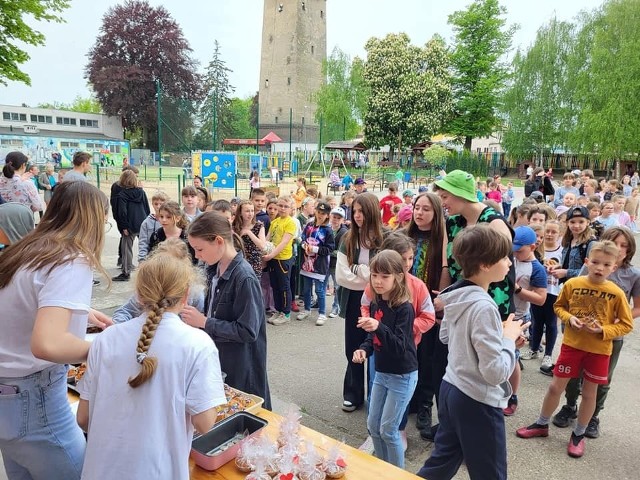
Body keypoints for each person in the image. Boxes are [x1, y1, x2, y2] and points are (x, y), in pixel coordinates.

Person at [76, 252, 226, 480]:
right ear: (186, 295)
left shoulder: (106, 339)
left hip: (101, 470)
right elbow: (204, 423)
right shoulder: (198, 344)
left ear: (138, 294)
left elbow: (83, 419)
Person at [0, 181, 109, 480]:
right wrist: (106, 346)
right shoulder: (71, 259)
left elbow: (22, 304)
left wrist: (81, 312)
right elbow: (47, 344)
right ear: (92, 218)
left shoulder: (27, 250)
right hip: (35, 400)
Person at [417, 224, 529, 480]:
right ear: (485, 265)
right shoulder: (484, 306)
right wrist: (508, 340)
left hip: (451, 389)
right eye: (504, 258)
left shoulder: (457, 296)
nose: (509, 264)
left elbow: (446, 336)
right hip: (477, 399)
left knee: (441, 463)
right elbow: (495, 372)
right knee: (491, 473)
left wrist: (500, 336)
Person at [516, 241, 633, 458]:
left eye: (606, 265)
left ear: (614, 267)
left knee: (589, 394)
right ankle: (542, 423)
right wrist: (570, 319)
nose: (600, 268)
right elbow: (559, 306)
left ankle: (578, 434)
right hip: (572, 346)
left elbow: (626, 324)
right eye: (595, 262)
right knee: (555, 387)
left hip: (599, 351)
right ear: (587, 262)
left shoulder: (616, 293)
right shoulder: (572, 284)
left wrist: (604, 330)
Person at [433, 170, 518, 415]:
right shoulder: (452, 221)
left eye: (445, 196)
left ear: (460, 194)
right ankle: (469, 397)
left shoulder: (494, 222)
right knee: (465, 348)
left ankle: (506, 395)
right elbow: (447, 263)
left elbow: (503, 269)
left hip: (493, 298)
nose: (442, 202)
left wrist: (497, 310)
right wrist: (446, 294)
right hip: (463, 295)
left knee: (497, 348)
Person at [552, 227, 640, 438]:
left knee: (601, 381)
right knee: (572, 376)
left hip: (609, 338)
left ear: (629, 249)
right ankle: (570, 406)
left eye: (623, 245)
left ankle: (593, 417)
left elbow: (636, 307)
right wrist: (570, 320)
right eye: (614, 243)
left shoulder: (633, 274)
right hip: (579, 335)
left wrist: (615, 322)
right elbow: (573, 298)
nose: (618, 248)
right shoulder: (591, 267)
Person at [183, 212, 272, 408]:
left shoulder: (244, 278)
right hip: (222, 360)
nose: (197, 256)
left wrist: (204, 322)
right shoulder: (214, 269)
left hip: (241, 369)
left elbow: (248, 331)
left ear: (218, 241)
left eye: (199, 249)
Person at [352, 250, 417, 469]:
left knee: (389, 430)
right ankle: (380, 469)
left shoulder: (404, 308)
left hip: (402, 375)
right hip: (382, 372)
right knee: (373, 425)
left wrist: (379, 327)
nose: (378, 281)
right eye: (374, 275)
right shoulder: (375, 303)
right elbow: (374, 338)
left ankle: (395, 473)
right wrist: (363, 349)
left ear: (398, 276)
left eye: (385, 276)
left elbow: (399, 347)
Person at [404, 192, 450, 440]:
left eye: (426, 209)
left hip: (430, 307)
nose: (419, 213)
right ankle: (410, 401)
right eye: (416, 208)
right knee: (410, 355)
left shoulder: (442, 240)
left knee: (429, 360)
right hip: (404, 306)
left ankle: (424, 406)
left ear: (437, 213)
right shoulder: (404, 236)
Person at [336, 193, 384, 412]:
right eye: (354, 211)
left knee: (376, 345)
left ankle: (377, 395)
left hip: (380, 300)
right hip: (355, 299)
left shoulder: (385, 239)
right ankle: (353, 394)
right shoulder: (347, 239)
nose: (357, 216)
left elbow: (385, 273)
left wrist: (360, 270)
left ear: (372, 211)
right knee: (353, 347)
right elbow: (341, 276)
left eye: (361, 211)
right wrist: (369, 274)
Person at [111, 239, 205, 324]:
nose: (164, 270)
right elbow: (124, 311)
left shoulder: (195, 293)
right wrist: (123, 328)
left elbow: (202, 321)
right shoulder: (150, 285)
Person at [529, 220, 563, 375]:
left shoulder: (562, 251)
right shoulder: (536, 250)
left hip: (554, 291)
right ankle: (533, 349)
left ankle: (548, 354)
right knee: (536, 321)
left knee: (550, 323)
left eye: (553, 232)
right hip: (538, 290)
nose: (549, 235)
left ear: (559, 234)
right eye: (547, 232)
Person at [297, 201, 335, 326]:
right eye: (318, 212)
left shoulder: (328, 230)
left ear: (327, 215)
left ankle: (322, 313)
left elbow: (329, 249)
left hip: (320, 264)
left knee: (319, 290)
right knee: (306, 289)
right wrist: (303, 245)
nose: (320, 215)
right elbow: (302, 238)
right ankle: (307, 309)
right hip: (307, 262)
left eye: (323, 213)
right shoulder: (309, 226)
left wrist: (314, 249)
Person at [262, 196, 297, 325]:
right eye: (280, 206)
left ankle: (286, 312)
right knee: (274, 285)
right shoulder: (275, 222)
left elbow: (284, 242)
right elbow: (267, 238)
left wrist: (271, 255)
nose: (282, 209)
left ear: (291, 208)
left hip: (282, 259)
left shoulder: (290, 222)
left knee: (284, 286)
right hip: (272, 258)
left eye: (285, 206)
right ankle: (277, 309)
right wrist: (264, 249)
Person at [112, 170, 150, 281]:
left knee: (126, 248)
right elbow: (146, 208)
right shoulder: (141, 192)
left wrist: (124, 226)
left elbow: (122, 213)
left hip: (130, 225)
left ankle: (126, 272)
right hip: (142, 222)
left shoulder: (122, 195)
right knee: (146, 246)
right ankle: (149, 270)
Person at [232, 199, 266, 279]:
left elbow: (262, 246)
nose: (250, 214)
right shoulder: (234, 227)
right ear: (240, 213)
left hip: (254, 263)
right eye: (247, 211)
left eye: (252, 211)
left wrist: (249, 233)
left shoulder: (259, 226)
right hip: (239, 262)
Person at [327, 206, 348, 318]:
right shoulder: (327, 228)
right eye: (334, 217)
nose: (335, 219)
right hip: (326, 263)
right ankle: (318, 303)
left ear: (342, 220)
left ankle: (336, 306)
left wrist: (326, 251)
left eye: (338, 218)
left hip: (336, 264)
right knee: (322, 284)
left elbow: (341, 251)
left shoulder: (344, 233)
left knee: (337, 286)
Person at [138, 191, 169, 263]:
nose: (158, 206)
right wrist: (142, 259)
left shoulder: (170, 221)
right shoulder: (146, 223)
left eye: (161, 204)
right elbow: (143, 243)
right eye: (156, 204)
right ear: (152, 204)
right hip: (151, 258)